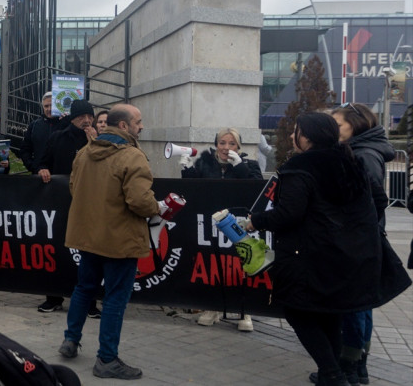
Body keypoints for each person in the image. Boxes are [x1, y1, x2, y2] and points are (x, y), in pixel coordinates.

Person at [247, 112, 409, 386]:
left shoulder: (301, 166)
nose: (291, 136)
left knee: (297, 311)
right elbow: (379, 199)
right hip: (352, 257)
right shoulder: (351, 160)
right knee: (330, 312)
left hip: (313, 257)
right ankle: (330, 373)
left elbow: (289, 214)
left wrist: (255, 222)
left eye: (295, 131)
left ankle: (332, 374)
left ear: (307, 137)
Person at [56, 104, 158, 380]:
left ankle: (70, 340)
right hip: (119, 240)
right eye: (138, 121)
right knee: (115, 298)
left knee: (84, 288)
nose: (142, 126)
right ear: (123, 126)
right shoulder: (133, 157)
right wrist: (158, 207)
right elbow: (139, 200)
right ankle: (107, 359)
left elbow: (74, 188)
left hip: (89, 236)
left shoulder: (84, 153)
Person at [325, 103, 396, 383]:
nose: (334, 130)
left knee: (353, 305)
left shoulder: (364, 155)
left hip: (359, 241)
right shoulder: (363, 151)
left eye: (338, 124)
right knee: (360, 305)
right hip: (364, 239)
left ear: (355, 125)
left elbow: (371, 201)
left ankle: (350, 364)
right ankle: (358, 365)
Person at [178, 127, 263, 331]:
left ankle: (244, 311)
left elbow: (256, 189)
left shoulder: (250, 164)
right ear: (216, 144)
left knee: (240, 264)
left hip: (238, 225)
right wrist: (187, 169)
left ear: (238, 146)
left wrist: (240, 167)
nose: (226, 148)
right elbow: (194, 189)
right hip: (211, 222)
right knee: (212, 264)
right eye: (222, 143)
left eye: (231, 143)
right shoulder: (206, 162)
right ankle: (212, 307)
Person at [35, 100, 100, 319]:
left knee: (88, 254)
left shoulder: (98, 141)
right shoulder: (58, 138)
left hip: (89, 205)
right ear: (73, 118)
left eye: (90, 117)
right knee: (58, 250)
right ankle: (54, 297)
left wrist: (97, 144)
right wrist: (42, 169)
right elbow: (42, 163)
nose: (87, 121)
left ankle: (90, 302)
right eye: (82, 117)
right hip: (61, 203)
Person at [18, 92, 64, 173]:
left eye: (52, 105)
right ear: (42, 107)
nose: (49, 109)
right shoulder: (34, 125)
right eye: (46, 106)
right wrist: (35, 168)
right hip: (39, 175)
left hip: (62, 176)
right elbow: (25, 150)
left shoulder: (66, 124)